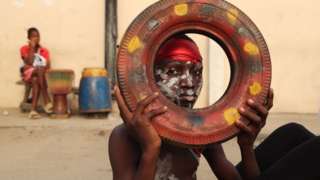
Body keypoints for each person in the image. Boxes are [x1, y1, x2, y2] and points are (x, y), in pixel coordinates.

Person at [109, 35, 320, 180]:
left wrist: (246, 145)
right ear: (148, 78)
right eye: (174, 72)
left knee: (293, 133)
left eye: (197, 72)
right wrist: (151, 147)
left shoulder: (197, 128)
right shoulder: (124, 137)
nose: (189, 82)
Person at [20, 27, 53, 119]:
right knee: (39, 69)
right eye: (33, 36)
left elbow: (47, 65)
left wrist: (37, 66)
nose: (36, 38)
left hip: (39, 75)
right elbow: (29, 62)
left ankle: (33, 111)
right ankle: (46, 98)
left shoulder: (44, 51)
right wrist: (32, 48)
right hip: (27, 75)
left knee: (36, 79)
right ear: (29, 38)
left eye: (38, 36)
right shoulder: (24, 48)